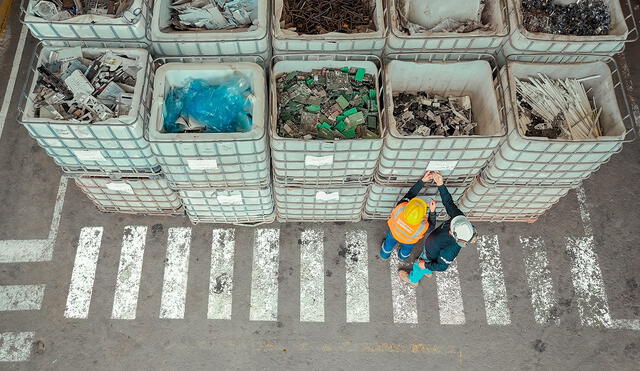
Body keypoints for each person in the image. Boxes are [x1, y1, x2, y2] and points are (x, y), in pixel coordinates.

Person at [399, 171, 477, 286]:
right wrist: (440, 184)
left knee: (418, 266)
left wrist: (424, 264)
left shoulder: (451, 251)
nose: (450, 226)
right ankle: (428, 271)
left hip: (429, 257)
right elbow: (448, 202)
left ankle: (413, 279)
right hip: (431, 251)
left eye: (451, 229)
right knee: (427, 266)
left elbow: (442, 266)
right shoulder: (460, 220)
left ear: (455, 236)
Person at [379, 171, 437, 261]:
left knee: (388, 244)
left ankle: (384, 255)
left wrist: (422, 181)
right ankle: (402, 257)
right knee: (406, 250)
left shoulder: (401, 207)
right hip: (408, 241)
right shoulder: (422, 226)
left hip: (394, 233)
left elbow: (411, 194)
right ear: (422, 216)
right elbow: (431, 226)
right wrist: (432, 212)